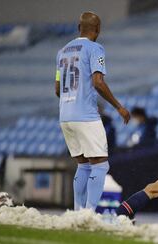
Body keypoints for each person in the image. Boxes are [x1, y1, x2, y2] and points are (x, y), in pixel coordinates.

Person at [55, 12, 130, 211]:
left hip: (65, 116)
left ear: (79, 28)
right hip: (85, 116)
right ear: (97, 30)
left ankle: (78, 212)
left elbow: (57, 89)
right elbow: (98, 82)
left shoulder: (62, 52)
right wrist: (119, 107)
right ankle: (88, 214)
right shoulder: (95, 48)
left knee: (84, 165)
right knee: (100, 165)